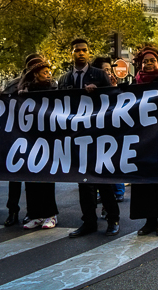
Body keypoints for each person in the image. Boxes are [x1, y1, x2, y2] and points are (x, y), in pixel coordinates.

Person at [58, 39, 120, 238]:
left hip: (98, 134)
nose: (81, 53)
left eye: (84, 50)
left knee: (103, 179)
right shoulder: (65, 79)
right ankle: (89, 222)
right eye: (77, 50)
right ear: (71, 53)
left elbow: (112, 99)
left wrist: (97, 92)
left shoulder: (99, 74)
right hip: (76, 136)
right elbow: (57, 105)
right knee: (83, 182)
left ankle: (113, 219)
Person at [129, 46, 158, 237]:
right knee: (143, 179)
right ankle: (149, 221)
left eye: (152, 61)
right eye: (145, 61)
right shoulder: (134, 85)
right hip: (140, 139)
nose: (149, 64)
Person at [2, 53, 45, 227]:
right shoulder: (14, 85)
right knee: (15, 177)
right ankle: (13, 211)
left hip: (37, 136)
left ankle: (32, 212)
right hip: (17, 135)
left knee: (33, 178)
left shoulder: (48, 84)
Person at [18, 58, 60, 230]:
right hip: (29, 138)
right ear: (35, 74)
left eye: (49, 72)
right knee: (31, 178)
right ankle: (35, 215)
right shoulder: (24, 90)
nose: (48, 75)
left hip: (48, 138)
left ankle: (50, 214)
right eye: (44, 72)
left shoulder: (55, 88)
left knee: (46, 177)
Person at [92, 56, 125, 203]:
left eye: (109, 70)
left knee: (113, 160)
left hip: (113, 130)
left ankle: (118, 191)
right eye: (105, 70)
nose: (108, 73)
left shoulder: (116, 86)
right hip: (97, 130)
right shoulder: (93, 88)